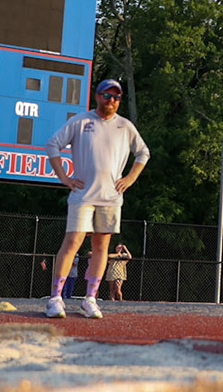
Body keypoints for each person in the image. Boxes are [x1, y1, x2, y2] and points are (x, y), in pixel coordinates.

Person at [43, 78, 149, 320]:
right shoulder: (81, 121)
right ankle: (55, 298)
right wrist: (65, 178)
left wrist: (130, 179)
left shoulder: (125, 126)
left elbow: (143, 152)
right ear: (97, 96)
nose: (111, 100)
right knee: (73, 242)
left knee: (101, 246)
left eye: (116, 97)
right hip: (83, 194)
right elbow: (53, 145)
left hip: (111, 197)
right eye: (106, 95)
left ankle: (90, 298)